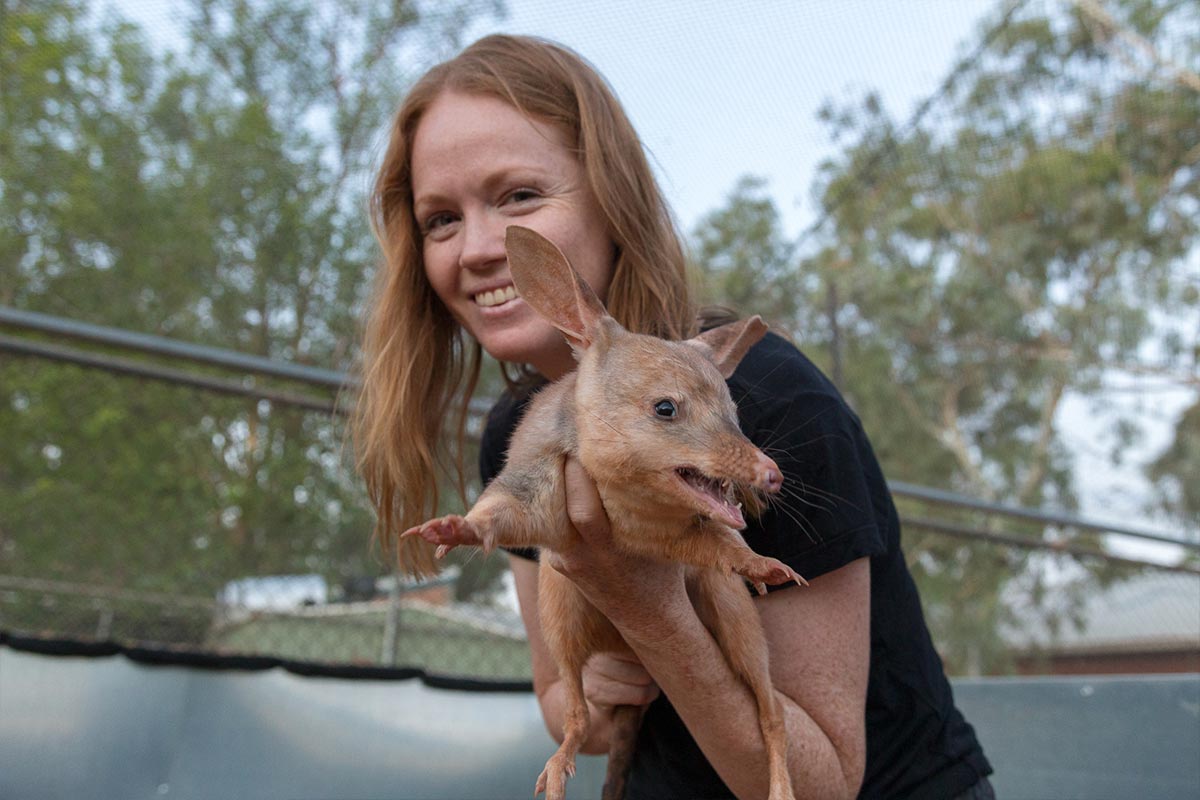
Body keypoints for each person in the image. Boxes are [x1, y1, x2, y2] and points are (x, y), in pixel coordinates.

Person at [355, 34, 994, 800]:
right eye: (439, 221)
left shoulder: (761, 400)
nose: (482, 248)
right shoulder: (520, 432)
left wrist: (654, 617)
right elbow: (569, 710)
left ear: (610, 197)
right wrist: (599, 684)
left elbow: (827, 786)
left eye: (520, 196)